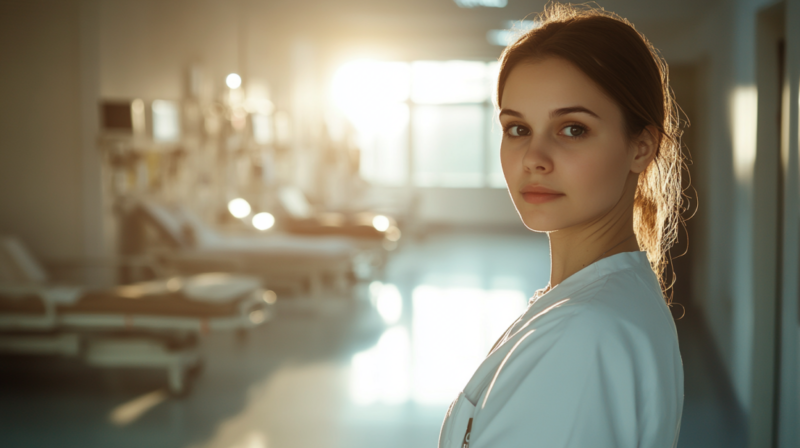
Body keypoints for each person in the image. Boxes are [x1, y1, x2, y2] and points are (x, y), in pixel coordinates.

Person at [438, 3, 687, 448]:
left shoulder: (584, 334)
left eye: (572, 129)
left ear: (640, 147)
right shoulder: (597, 299)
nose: (534, 158)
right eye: (517, 128)